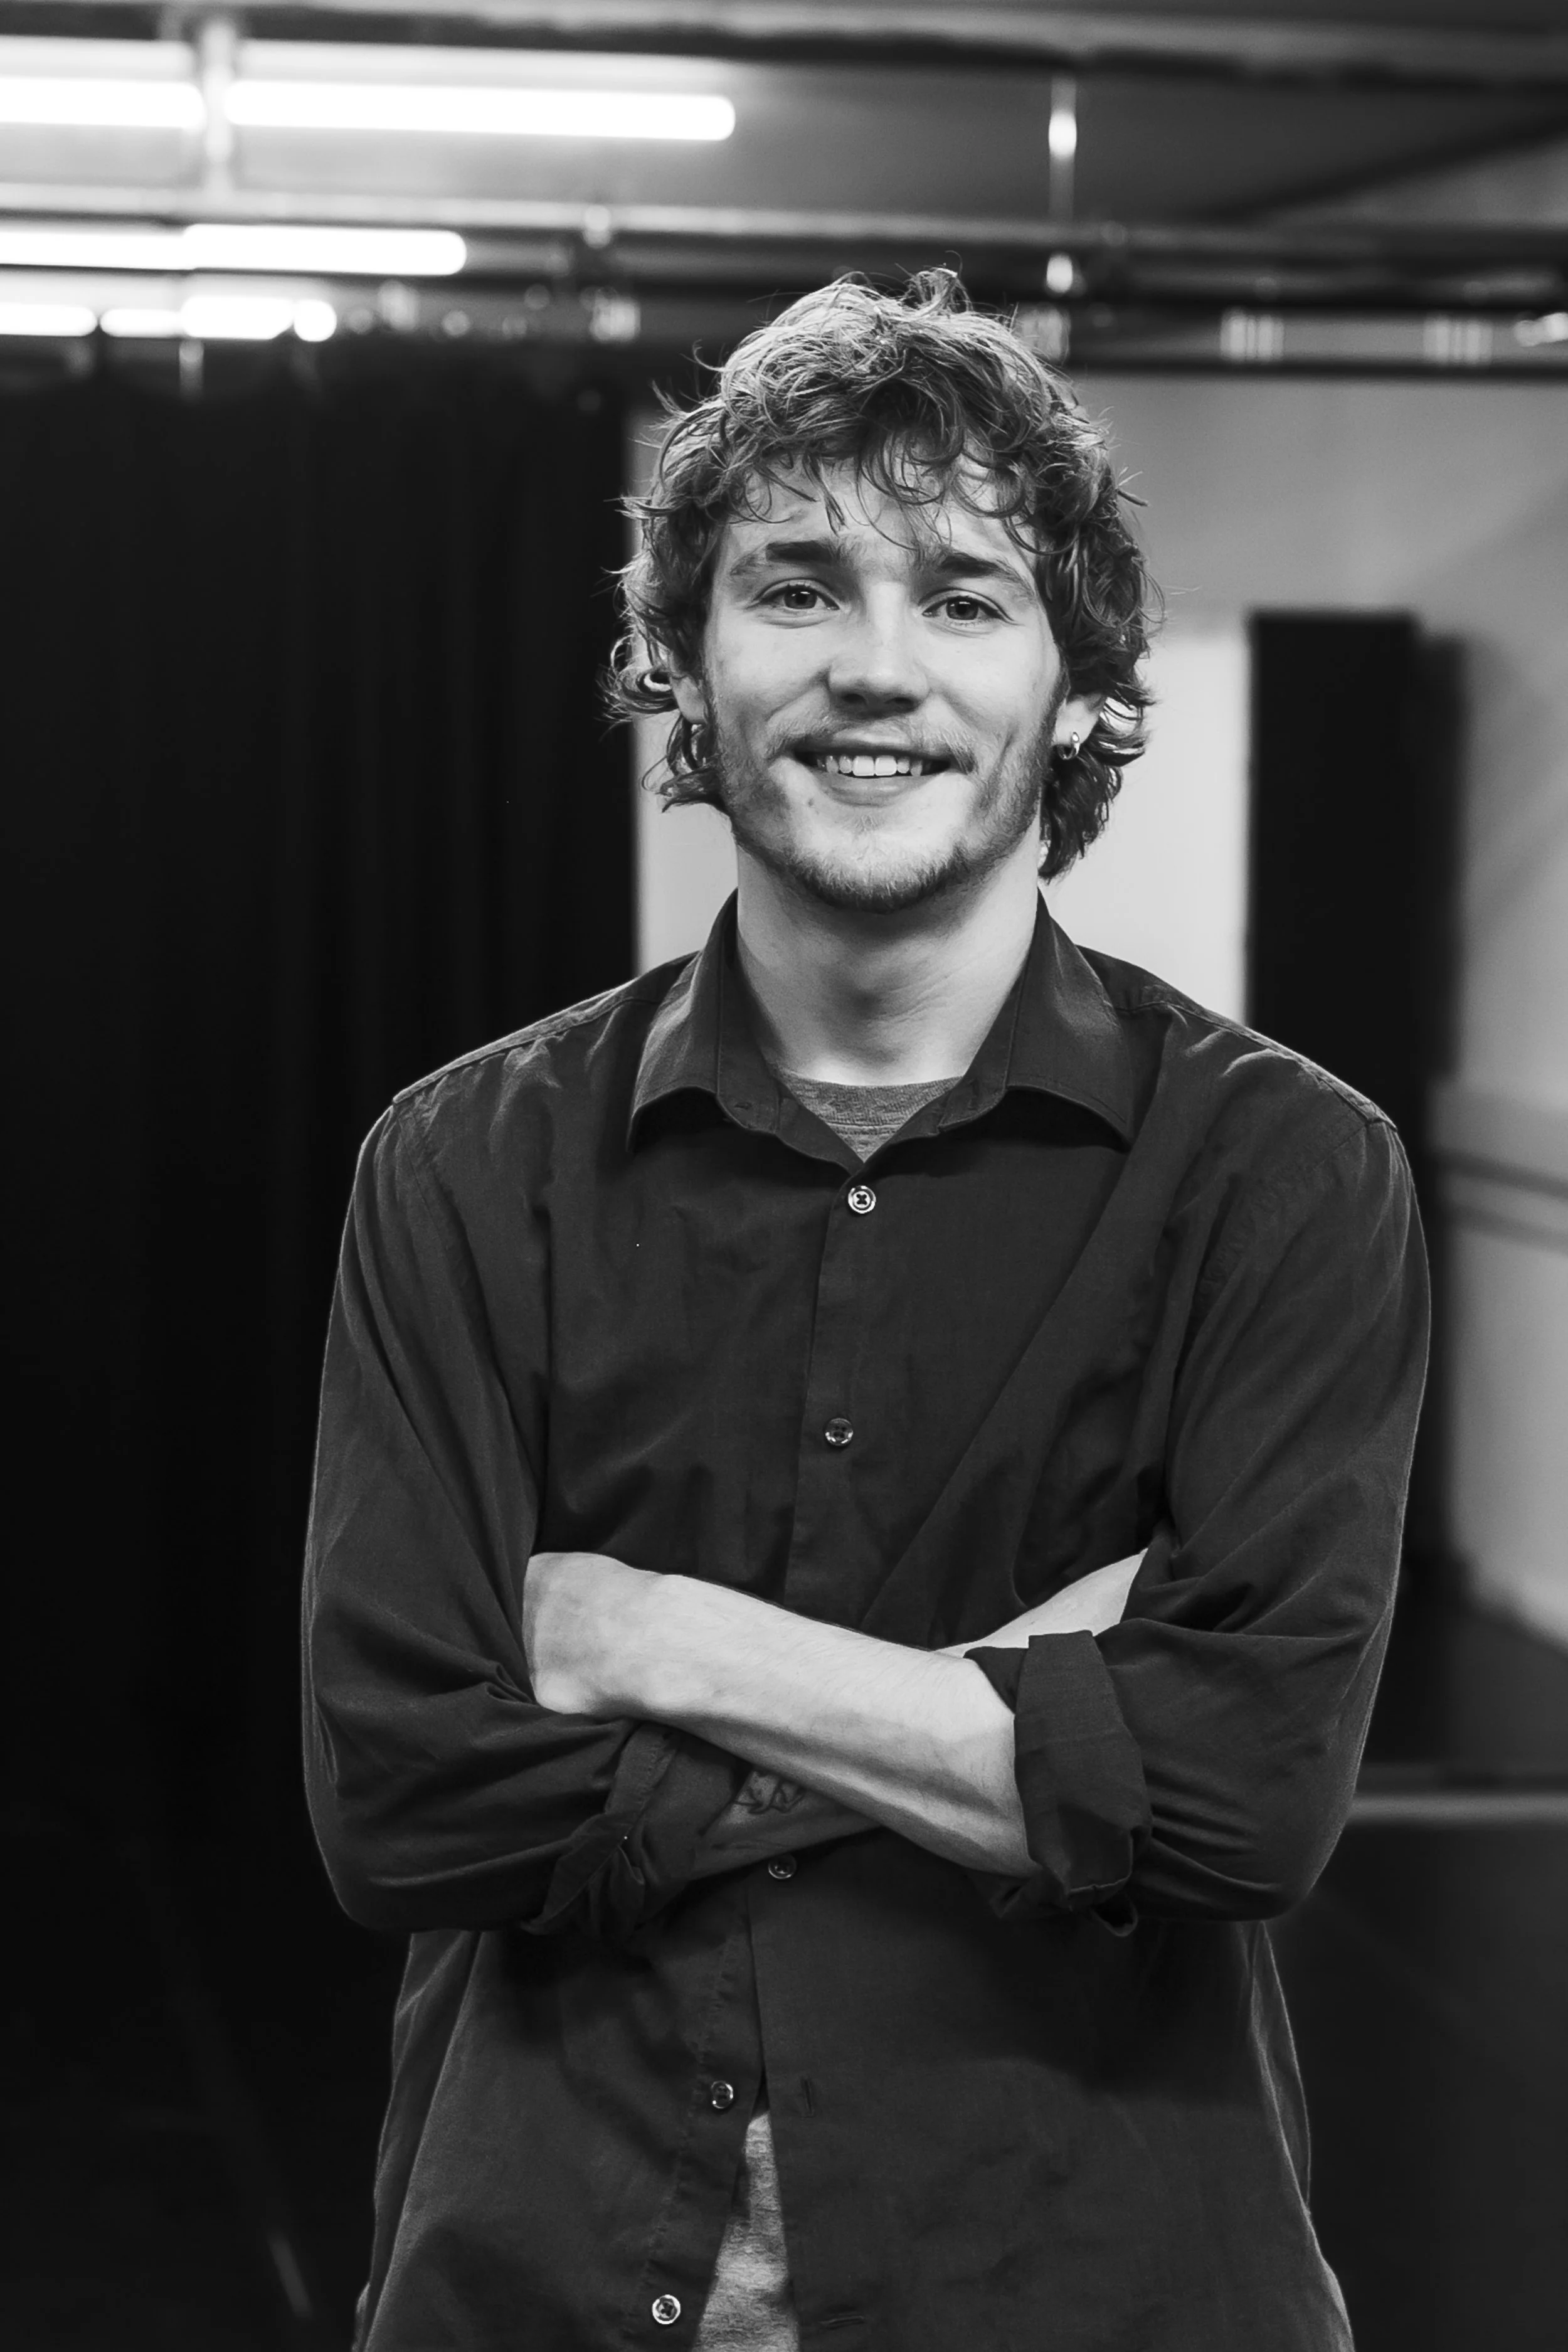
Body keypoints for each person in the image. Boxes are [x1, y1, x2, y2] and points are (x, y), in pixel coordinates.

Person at [302, 272, 1428, 2351]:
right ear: (680, 659)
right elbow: (405, 1797)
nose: (875, 666)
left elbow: (1240, 1801)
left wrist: (657, 1637)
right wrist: (1034, 1714)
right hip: (550, 2275)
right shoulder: (461, 1165)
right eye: (795, 586)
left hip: (1093, 2276)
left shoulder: (1285, 1174)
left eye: (964, 597)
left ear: (1079, 691)